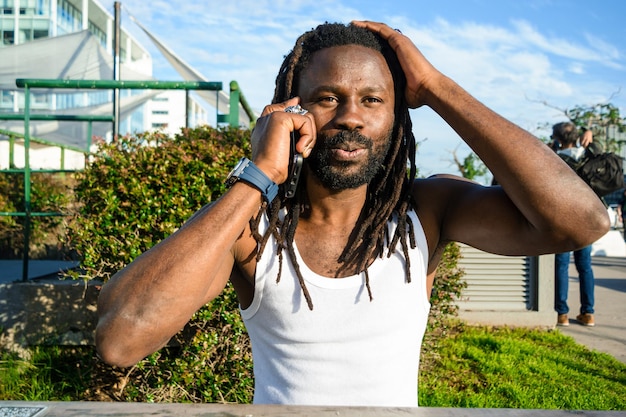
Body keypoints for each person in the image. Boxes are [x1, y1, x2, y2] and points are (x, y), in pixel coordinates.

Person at [94, 22, 609, 407]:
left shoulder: (428, 212)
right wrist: (259, 174)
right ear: (292, 110)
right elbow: (120, 339)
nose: (351, 118)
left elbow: (581, 222)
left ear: (396, 115)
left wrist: (437, 88)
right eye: (327, 98)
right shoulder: (252, 228)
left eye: (372, 99)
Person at [551, 122, 598, 327]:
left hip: (563, 218)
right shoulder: (588, 156)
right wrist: (590, 136)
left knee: (561, 266)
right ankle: (588, 313)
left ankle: (562, 314)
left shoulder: (554, 158)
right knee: (584, 267)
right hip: (586, 219)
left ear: (557, 139)